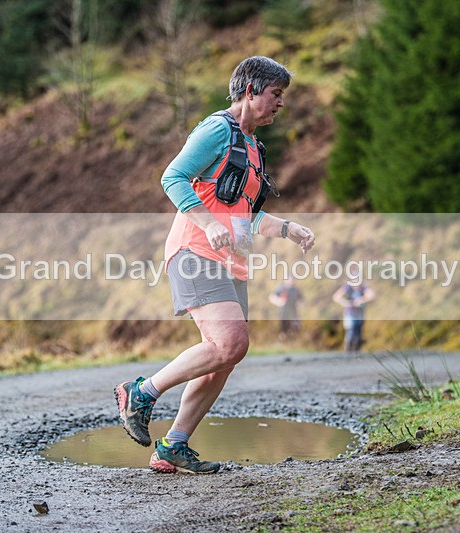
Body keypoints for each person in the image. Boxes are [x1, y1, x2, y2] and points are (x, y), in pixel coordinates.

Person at [115, 56, 315, 474]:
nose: (281, 104)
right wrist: (206, 223)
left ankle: (173, 446)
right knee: (230, 344)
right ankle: (141, 392)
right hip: (195, 252)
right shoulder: (216, 130)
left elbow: (245, 213)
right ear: (250, 91)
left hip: (230, 261)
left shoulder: (254, 147)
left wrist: (288, 228)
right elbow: (173, 177)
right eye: (276, 95)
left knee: (225, 356)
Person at [332, 277, 375, 353]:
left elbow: (372, 295)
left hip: (360, 314)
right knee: (351, 333)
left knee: (358, 334)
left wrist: (362, 299)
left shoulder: (363, 287)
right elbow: (336, 296)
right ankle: (348, 351)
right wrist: (345, 302)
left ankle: (356, 353)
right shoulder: (347, 287)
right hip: (350, 314)